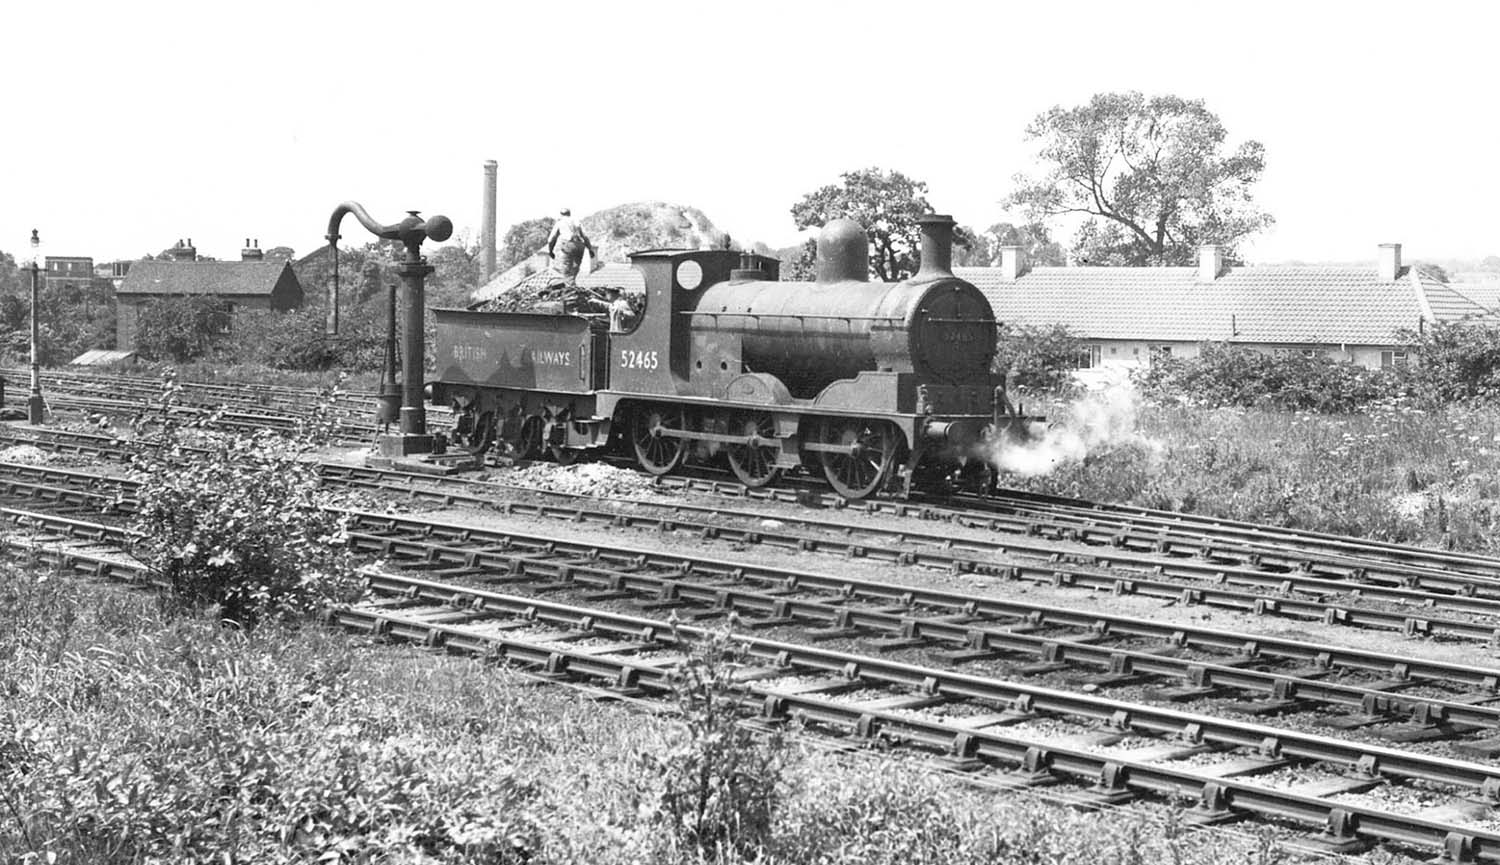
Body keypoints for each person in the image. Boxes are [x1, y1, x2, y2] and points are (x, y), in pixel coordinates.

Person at [546, 208, 597, 285]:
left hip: (568, 244)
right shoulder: (577, 222)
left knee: (566, 268)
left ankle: (569, 287)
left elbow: (551, 239)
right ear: (569, 214)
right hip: (580, 245)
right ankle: (572, 284)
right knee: (575, 268)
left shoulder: (560, 223)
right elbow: (585, 236)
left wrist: (550, 251)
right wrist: (590, 249)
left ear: (561, 215)